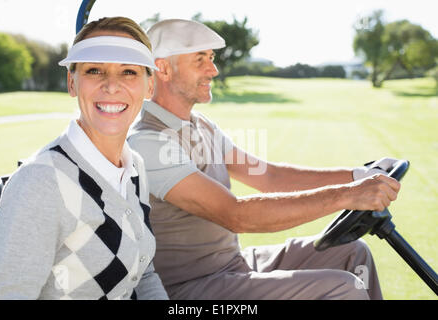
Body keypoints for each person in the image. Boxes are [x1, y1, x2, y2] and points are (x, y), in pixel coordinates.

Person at [127, 19, 401, 300]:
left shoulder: (202, 126)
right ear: (162, 68)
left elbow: (269, 176)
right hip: (190, 289)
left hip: (232, 266)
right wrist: (348, 196)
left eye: (211, 58)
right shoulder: (148, 142)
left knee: (353, 255)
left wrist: (358, 176)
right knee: (344, 286)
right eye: (200, 60)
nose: (214, 70)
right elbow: (235, 215)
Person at [0, 17, 168, 300]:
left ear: (149, 87)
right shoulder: (39, 183)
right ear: (72, 83)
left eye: (129, 72)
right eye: (95, 70)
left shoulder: (134, 168)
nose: (111, 85)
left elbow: (143, 274)